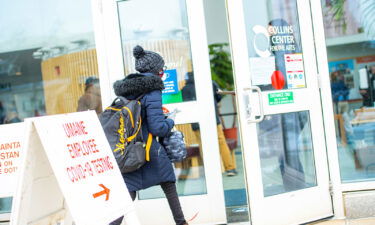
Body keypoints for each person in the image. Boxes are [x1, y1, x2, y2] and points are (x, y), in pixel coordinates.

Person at [110, 45, 188, 225]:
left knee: (130, 190)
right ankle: (181, 222)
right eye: (162, 67)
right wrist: (171, 120)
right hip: (148, 148)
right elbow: (157, 128)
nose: (163, 70)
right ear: (156, 69)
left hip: (130, 148)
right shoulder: (152, 89)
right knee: (168, 182)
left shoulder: (128, 88)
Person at [181, 73, 237, 176]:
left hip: (197, 122)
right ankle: (230, 169)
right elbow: (219, 97)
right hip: (213, 119)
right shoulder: (211, 83)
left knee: (203, 145)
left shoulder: (185, 89)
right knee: (221, 142)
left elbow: (186, 107)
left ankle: (210, 172)